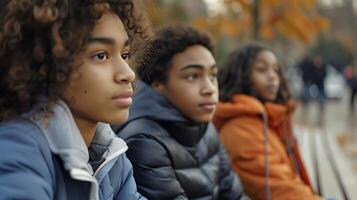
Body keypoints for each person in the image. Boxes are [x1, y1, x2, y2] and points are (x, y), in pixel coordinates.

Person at [0, 0, 150, 199]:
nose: (128, 73)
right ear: (48, 64)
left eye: (125, 55)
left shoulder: (111, 156)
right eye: (101, 55)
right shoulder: (19, 149)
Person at [113, 25, 247, 200]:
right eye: (192, 76)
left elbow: (235, 195)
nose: (209, 89)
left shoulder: (206, 127)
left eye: (213, 75)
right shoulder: (143, 140)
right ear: (158, 85)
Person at [213, 43, 321, 200]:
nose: (273, 76)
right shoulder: (240, 129)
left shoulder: (269, 119)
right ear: (240, 75)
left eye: (276, 70)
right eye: (262, 69)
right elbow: (279, 190)